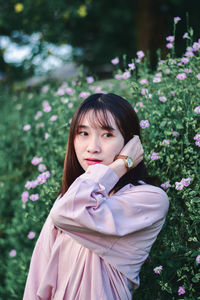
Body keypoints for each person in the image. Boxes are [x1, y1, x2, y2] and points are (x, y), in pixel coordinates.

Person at [23, 93, 169, 300]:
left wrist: (122, 164)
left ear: (130, 144)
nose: (92, 147)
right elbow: (37, 280)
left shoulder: (150, 199)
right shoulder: (69, 199)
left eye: (107, 134)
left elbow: (70, 212)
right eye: (83, 133)